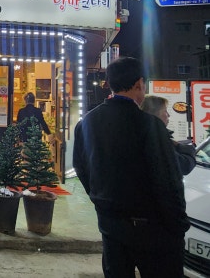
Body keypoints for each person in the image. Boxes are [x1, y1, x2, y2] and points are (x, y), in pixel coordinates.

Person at [73, 57, 189, 278]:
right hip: (153, 229)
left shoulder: (86, 123)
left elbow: (81, 167)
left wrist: (100, 200)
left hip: (110, 226)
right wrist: (179, 224)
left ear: (110, 83)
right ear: (139, 84)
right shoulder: (150, 125)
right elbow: (167, 179)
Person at [141, 95, 196, 175]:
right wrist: (188, 148)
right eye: (165, 111)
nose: (168, 115)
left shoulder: (139, 133)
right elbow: (184, 165)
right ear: (155, 115)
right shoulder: (154, 139)